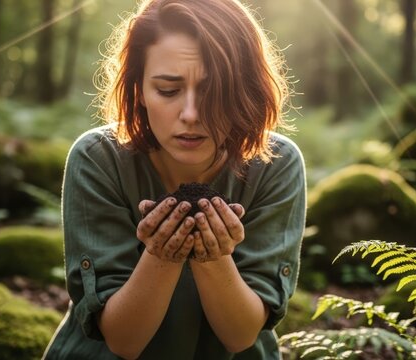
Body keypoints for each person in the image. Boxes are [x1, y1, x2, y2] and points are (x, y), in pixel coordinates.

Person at [42, 0, 306, 358]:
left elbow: (241, 335)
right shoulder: (97, 159)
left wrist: (213, 257)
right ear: (139, 91)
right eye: (168, 90)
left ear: (244, 90)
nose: (191, 114)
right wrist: (161, 256)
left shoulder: (275, 163)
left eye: (214, 90)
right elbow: (123, 341)